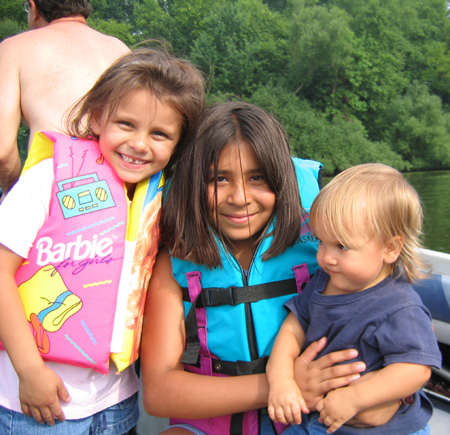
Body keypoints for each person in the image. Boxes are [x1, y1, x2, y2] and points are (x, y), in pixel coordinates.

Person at [140, 103, 400, 435]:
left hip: (310, 418)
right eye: (219, 179)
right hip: (214, 424)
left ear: (281, 179)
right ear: (194, 184)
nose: (239, 198)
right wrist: (282, 384)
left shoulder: (323, 250)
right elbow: (158, 393)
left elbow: (391, 315)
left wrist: (390, 395)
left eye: (257, 177)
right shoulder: (175, 262)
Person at [0, 48, 205, 433]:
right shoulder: (48, 177)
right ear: (97, 117)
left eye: (159, 134)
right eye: (126, 124)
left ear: (179, 143)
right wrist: (29, 371)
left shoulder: (161, 199)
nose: (140, 144)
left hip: (117, 402)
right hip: (36, 402)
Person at [266, 163, 442, 434]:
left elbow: (416, 369)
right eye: (321, 241)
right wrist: (281, 380)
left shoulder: (400, 307)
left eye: (342, 246)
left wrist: (354, 398)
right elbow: (291, 331)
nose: (326, 257)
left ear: (391, 248)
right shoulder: (322, 283)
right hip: (316, 421)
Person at [0, 0, 130, 199]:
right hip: (116, 191)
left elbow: (2, 151)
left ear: (34, 9)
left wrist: (13, 194)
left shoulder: (14, 47)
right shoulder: (120, 49)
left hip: (53, 188)